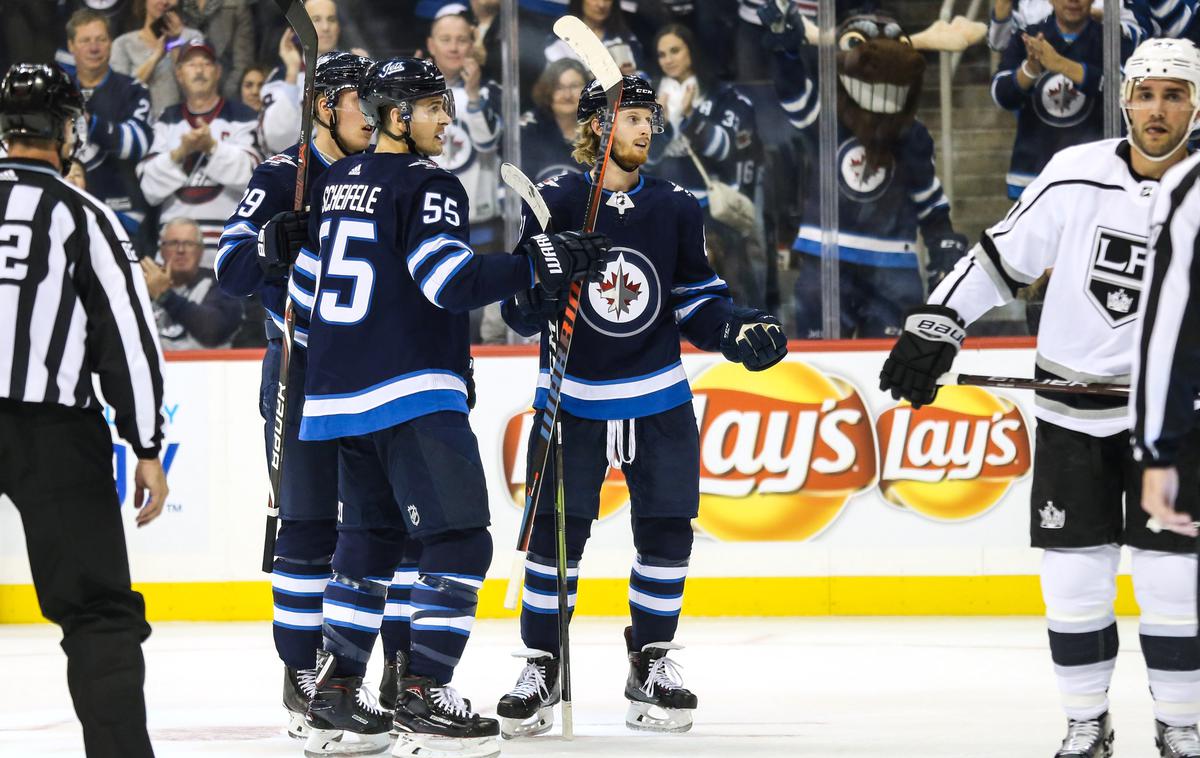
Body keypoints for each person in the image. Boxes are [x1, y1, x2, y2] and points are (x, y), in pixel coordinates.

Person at [880, 38, 1200, 758]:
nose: (1158, 108)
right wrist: (940, 322)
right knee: (1075, 583)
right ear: (1125, 101)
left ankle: (1181, 728)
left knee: (1173, 583)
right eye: (1146, 94)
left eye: (1174, 94)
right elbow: (1000, 258)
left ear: (1196, 105)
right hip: (1070, 418)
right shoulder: (1074, 173)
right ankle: (1087, 724)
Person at [290, 56, 609, 757]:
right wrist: (540, 261)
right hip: (408, 390)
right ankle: (422, 691)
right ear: (397, 117)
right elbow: (449, 281)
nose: (447, 118)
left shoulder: (336, 181)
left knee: (368, 547)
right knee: (460, 539)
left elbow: (304, 290)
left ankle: (336, 697)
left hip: (338, 395)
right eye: (433, 106)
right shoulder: (429, 183)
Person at [496, 75, 788, 739]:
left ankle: (650, 662)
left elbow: (696, 298)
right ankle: (543, 665)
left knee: (667, 530)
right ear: (598, 127)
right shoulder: (559, 199)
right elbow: (517, 306)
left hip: (657, 394)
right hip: (574, 397)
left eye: (649, 118)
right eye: (632, 118)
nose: (646, 129)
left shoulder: (676, 206)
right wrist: (545, 281)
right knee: (555, 540)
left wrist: (734, 329)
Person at [215, 50, 410, 744]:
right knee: (306, 526)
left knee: (391, 525)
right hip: (301, 368)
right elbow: (228, 269)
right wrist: (272, 242)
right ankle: (303, 675)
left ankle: (391, 669)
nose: (377, 116)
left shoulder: (388, 175)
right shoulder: (278, 176)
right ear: (326, 106)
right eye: (362, 101)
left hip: (376, 373)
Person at [0, 62, 167, 758]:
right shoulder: (82, 216)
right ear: (68, 131)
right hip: (51, 432)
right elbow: (127, 337)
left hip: (53, 427)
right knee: (99, 611)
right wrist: (148, 443)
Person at [761, 6, 968, 338]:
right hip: (826, 264)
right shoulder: (828, 119)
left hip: (891, 271)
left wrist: (943, 246)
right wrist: (784, 48)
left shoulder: (911, 136)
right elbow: (793, 91)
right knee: (821, 369)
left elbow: (931, 205)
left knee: (888, 373)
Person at [650, 22, 765, 306]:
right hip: (667, 213)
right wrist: (659, 124)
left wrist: (691, 117)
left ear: (692, 51)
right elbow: (647, 158)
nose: (669, 59)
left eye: (675, 50)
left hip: (715, 213)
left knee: (730, 291)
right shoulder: (650, 96)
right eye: (663, 54)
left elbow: (726, 150)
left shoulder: (722, 96)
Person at [992, 0, 1142, 200]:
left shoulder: (1114, 39)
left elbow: (1128, 92)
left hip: (1098, 178)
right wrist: (1030, 70)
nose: (1073, 1)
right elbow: (1001, 96)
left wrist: (1061, 64)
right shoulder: (1027, 37)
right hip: (1033, 177)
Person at [138, 39, 260, 264]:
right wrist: (180, 152)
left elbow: (253, 178)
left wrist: (211, 147)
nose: (199, 70)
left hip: (228, 251)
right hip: (174, 252)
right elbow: (149, 188)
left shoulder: (242, 117)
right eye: (191, 64)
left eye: (206, 63)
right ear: (179, 73)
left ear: (218, 72)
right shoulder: (167, 119)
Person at [61, 8, 154, 242]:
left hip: (121, 214)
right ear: (71, 46)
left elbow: (138, 144)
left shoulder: (132, 90)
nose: (94, 48)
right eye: (85, 41)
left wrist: (90, 122)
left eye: (101, 39)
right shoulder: (57, 90)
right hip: (64, 211)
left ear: (111, 43)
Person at [142, 217, 242, 349]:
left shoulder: (222, 284)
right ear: (161, 250)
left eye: (189, 244)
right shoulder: (143, 287)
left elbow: (214, 331)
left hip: (206, 368)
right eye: (173, 243)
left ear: (201, 251)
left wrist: (165, 296)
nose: (181, 250)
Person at [110, 0, 203, 116]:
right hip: (139, 124)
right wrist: (155, 57)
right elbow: (121, 94)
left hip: (180, 124)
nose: (164, 2)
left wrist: (175, 43)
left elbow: (197, 90)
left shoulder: (193, 37)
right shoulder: (123, 44)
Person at [521, 58, 588, 183]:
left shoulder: (600, 131)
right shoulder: (529, 130)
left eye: (574, 86)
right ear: (547, 91)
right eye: (559, 88)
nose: (567, 95)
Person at [174, 0, 254, 101]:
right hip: (184, 98)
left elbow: (243, 63)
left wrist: (223, 100)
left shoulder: (236, 5)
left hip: (227, 98)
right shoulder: (177, 5)